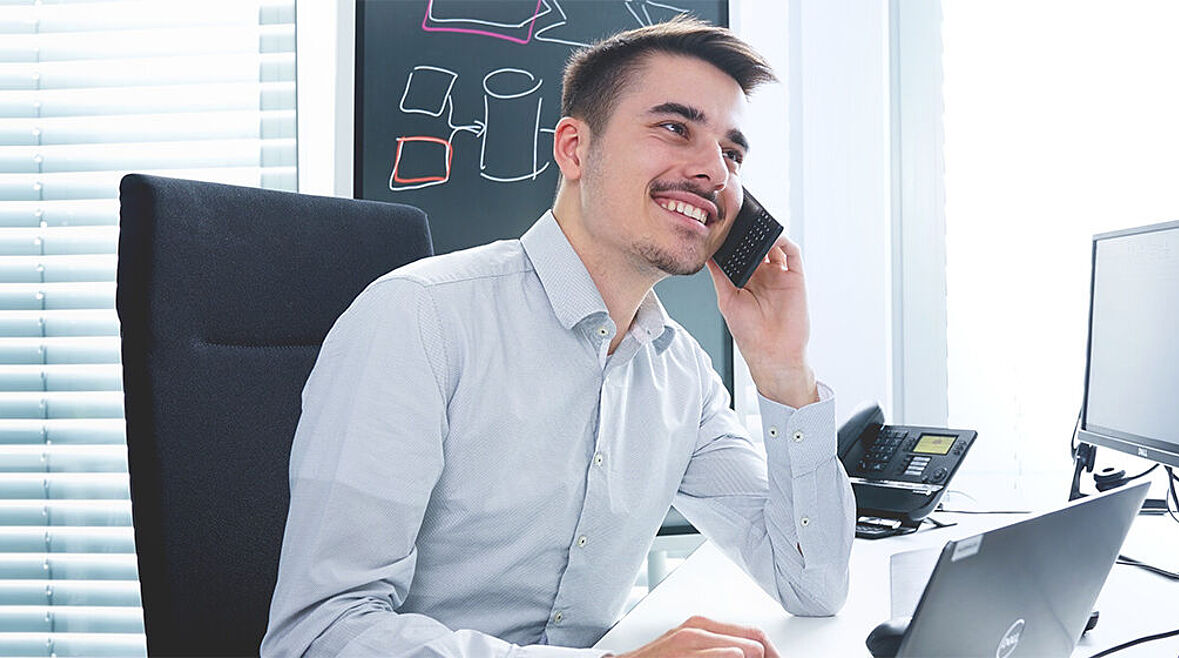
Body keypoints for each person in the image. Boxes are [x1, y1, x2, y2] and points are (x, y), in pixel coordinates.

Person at [261, 17, 854, 658]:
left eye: (732, 154)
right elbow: (321, 634)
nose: (715, 171)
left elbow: (811, 582)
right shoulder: (419, 320)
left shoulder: (680, 374)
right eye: (675, 128)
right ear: (574, 149)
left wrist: (782, 368)